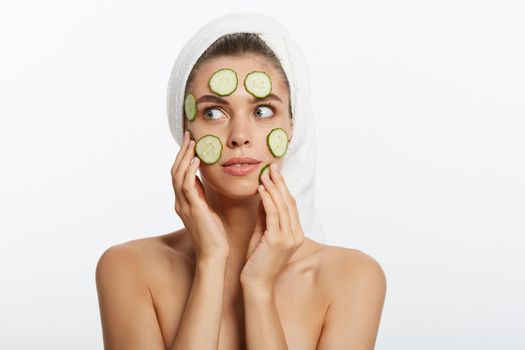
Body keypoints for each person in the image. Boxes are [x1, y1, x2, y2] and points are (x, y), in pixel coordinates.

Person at [96, 13, 386, 350]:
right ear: (184, 128)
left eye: (262, 111)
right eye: (213, 112)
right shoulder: (127, 269)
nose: (239, 137)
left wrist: (259, 289)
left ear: (294, 126)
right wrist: (211, 262)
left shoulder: (353, 278)